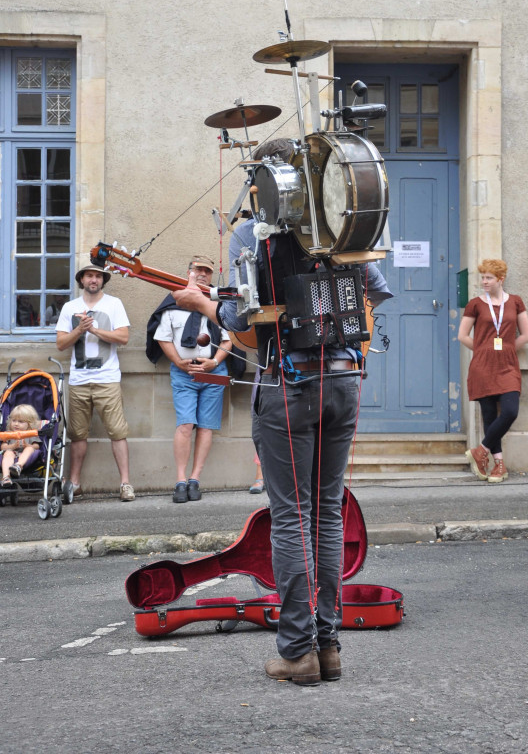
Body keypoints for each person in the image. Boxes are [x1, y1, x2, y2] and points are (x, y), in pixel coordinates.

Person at [173, 138, 392, 686]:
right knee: (327, 511)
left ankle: (298, 651)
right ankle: (330, 646)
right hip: (345, 378)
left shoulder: (254, 232)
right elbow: (375, 294)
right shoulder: (346, 224)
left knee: (293, 516)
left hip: (290, 384)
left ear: (264, 180)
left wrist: (206, 306)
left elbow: (245, 325)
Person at [147, 255, 232, 503]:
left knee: (206, 426)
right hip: (184, 373)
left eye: (207, 271)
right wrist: (177, 362)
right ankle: (180, 479)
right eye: (198, 270)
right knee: (185, 424)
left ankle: (195, 479)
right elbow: (162, 338)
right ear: (188, 272)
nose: (203, 274)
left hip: (214, 372)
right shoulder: (174, 300)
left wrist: (214, 361)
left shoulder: (218, 305)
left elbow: (229, 338)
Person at [56, 263, 135, 501]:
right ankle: (75, 484)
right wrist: (80, 329)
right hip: (78, 380)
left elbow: (123, 337)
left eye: (98, 276)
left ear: (103, 280)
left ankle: (125, 484)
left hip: (107, 379)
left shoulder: (114, 304)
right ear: (82, 280)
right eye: (89, 276)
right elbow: (61, 344)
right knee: (77, 435)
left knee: (118, 432)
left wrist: (95, 330)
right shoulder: (70, 307)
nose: (94, 280)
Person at [459, 258, 528, 484]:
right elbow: (462, 335)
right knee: (489, 417)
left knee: (510, 411)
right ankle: (498, 464)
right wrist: (484, 351)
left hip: (508, 366)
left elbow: (526, 335)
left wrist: (506, 350)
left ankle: (480, 451)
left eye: (489, 277)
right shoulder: (475, 304)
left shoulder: (516, 302)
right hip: (483, 366)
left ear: (501, 279)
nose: (484, 281)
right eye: (482, 277)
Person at [1, 404, 42, 486]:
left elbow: (37, 446)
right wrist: (12, 447)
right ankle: (6, 477)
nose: (16, 424)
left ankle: (18, 466)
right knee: (8, 452)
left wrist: (27, 445)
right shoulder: (8, 434)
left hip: (27, 457)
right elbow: (2, 446)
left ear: (29, 424)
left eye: (20, 422)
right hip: (12, 456)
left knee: (29, 449)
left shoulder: (31, 434)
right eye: (14, 420)